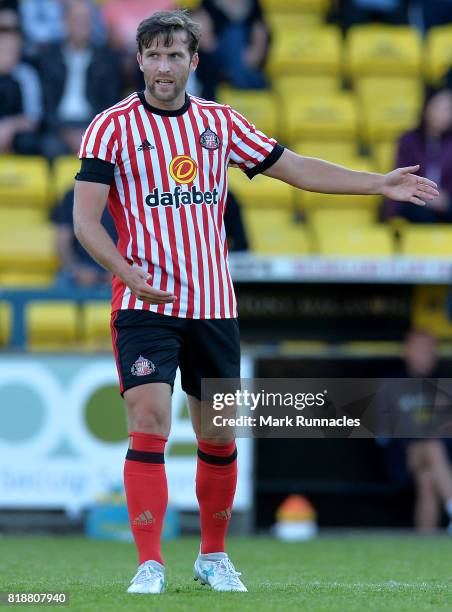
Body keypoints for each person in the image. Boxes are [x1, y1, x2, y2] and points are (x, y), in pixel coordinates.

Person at [73, 9, 439, 595]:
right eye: (154, 55)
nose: (164, 66)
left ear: (193, 62)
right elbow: (86, 222)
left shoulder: (220, 123)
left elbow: (294, 168)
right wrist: (128, 274)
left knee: (217, 435)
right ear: (139, 59)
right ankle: (150, 564)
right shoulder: (110, 128)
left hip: (214, 306)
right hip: (144, 305)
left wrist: (378, 182)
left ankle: (213, 557)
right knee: (148, 421)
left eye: (175, 56)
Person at [380, 329, 452, 533]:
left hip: (442, 459)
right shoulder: (391, 385)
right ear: (407, 351)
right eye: (420, 348)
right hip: (402, 457)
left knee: (428, 477)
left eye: (430, 349)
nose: (426, 353)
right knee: (431, 446)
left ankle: (424, 545)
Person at [38, 0, 121, 160]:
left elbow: (111, 103)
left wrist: (89, 132)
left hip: (93, 125)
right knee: (49, 147)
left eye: (85, 20)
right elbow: (46, 104)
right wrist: (66, 133)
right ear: (65, 22)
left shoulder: (107, 59)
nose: (81, 26)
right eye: (76, 20)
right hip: (59, 127)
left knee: (108, 151)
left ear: (93, 24)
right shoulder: (48, 58)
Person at [382, 87, 452, 223]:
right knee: (422, 214)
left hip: (445, 204)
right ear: (427, 108)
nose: (446, 115)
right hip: (411, 199)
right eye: (442, 108)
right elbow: (401, 174)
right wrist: (425, 194)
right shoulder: (408, 140)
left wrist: (445, 200)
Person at [193, 0, 269, 99]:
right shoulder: (210, 3)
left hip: (245, 59)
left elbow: (259, 29)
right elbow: (202, 24)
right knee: (233, 34)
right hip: (217, 57)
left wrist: (256, 51)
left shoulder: (252, 4)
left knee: (235, 33)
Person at [52, 186, 117, 287]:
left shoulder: (128, 196)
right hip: (80, 269)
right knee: (61, 286)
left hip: (119, 269)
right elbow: (62, 243)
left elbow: (137, 242)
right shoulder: (72, 195)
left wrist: (121, 271)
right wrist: (76, 269)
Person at [0, 14, 43, 154]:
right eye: (3, 49)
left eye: (12, 50)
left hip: (15, 135)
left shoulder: (26, 75)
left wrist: (10, 127)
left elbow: (33, 118)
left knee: (28, 141)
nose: (7, 55)